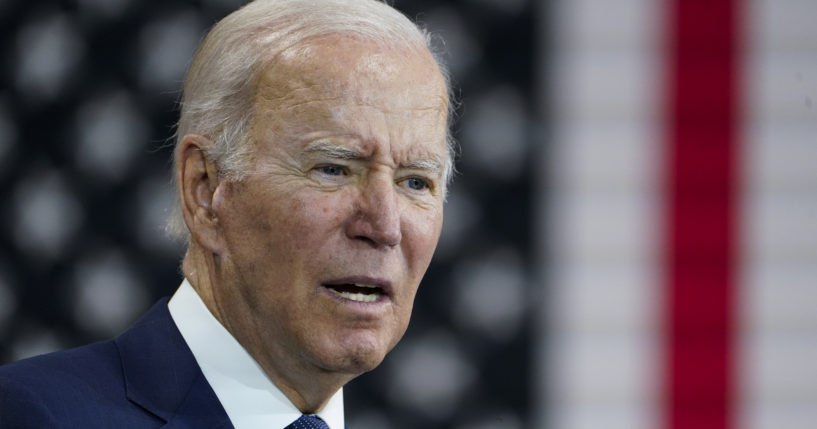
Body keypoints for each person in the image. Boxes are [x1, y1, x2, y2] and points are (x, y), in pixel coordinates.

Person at [0, 0, 453, 427]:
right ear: (206, 189)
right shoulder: (35, 415)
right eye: (333, 168)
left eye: (415, 182)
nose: (385, 226)